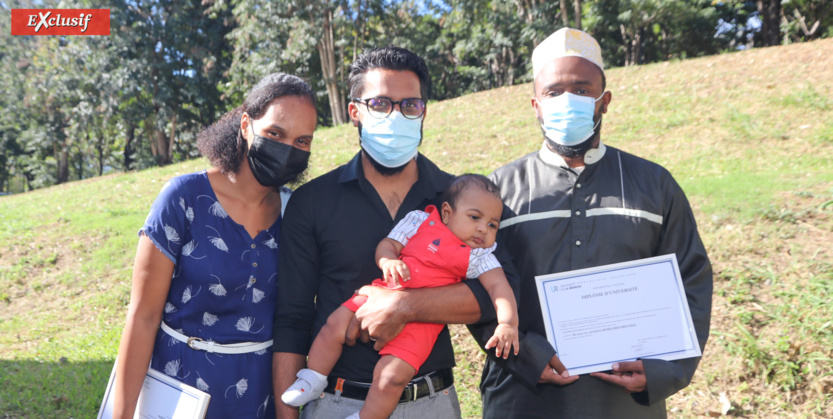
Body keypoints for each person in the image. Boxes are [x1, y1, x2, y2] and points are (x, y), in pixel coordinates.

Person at [470, 28, 713, 418]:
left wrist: (663, 370)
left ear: (605, 101)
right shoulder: (498, 191)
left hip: (624, 401)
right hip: (522, 396)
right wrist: (527, 356)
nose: (568, 100)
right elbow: (475, 282)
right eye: (554, 92)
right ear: (536, 104)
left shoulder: (653, 184)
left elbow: (692, 279)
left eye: (582, 90)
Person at [273, 46, 504, 419]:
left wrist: (404, 307)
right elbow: (292, 318)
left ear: (423, 111)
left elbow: (493, 293)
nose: (396, 115)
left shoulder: (460, 201)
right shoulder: (313, 201)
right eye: (380, 103)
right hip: (335, 401)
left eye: (410, 105)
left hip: (432, 402)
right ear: (355, 112)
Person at [113, 73, 318, 419]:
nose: (287, 150)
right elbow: (143, 317)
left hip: (261, 396)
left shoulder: (295, 215)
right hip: (177, 390)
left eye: (302, 141)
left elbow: (294, 324)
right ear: (245, 125)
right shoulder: (183, 198)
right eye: (275, 134)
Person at [281, 174, 519, 419]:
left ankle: (366, 417)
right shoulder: (419, 221)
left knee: (391, 378)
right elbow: (388, 244)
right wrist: (388, 261)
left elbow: (499, 288)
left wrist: (507, 324)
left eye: (493, 225)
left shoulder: (480, 256)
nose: (483, 228)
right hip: (382, 292)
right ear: (447, 213)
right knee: (334, 325)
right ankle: (313, 378)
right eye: (475, 217)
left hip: (422, 328)